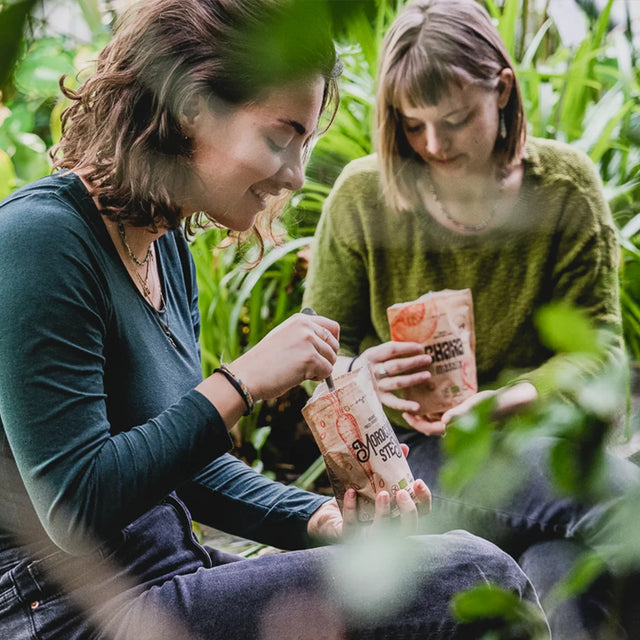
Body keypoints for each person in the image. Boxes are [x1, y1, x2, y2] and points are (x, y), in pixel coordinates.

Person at [0, 1, 551, 639]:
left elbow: (186, 468)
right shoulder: (39, 240)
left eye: (304, 144)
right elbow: (74, 505)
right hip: (67, 612)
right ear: (191, 107)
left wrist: (321, 521)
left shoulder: (162, 247)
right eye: (279, 137)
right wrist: (241, 382)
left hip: (166, 571)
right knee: (477, 576)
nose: (294, 174)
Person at [303, 0, 640, 637]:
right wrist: (361, 374)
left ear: (502, 89)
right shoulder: (363, 196)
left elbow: (601, 356)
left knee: (561, 569)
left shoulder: (563, 188)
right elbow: (316, 357)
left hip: (539, 445)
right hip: (414, 460)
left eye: (456, 120)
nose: (433, 145)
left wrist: (506, 401)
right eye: (413, 125)